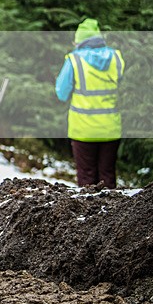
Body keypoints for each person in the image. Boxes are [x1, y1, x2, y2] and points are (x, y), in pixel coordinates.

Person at [56, 18, 125, 189]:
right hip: (111, 128)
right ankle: (111, 206)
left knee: (86, 178)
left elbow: (61, 93)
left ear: (80, 41)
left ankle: (89, 207)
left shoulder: (74, 60)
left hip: (83, 130)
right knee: (107, 176)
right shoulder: (116, 57)